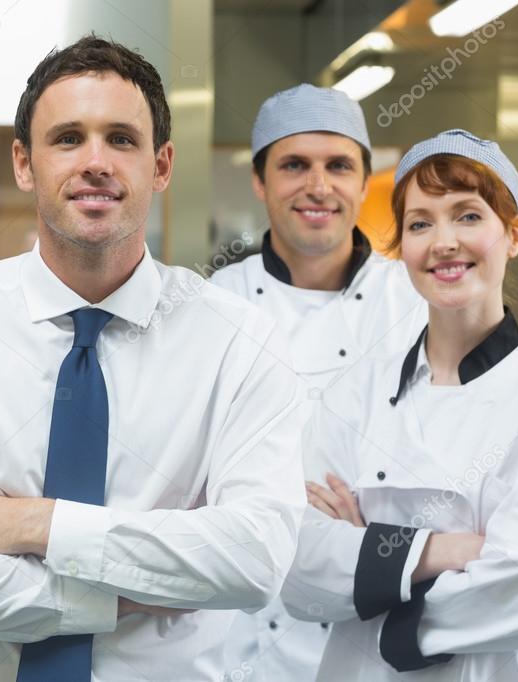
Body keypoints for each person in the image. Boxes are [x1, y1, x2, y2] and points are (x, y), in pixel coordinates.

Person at [0, 35, 304, 682]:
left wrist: (34, 525)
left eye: (121, 140)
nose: (94, 161)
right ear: (24, 163)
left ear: (160, 166)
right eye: (67, 138)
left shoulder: (239, 343)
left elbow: (253, 558)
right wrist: (115, 592)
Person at [280, 129, 518, 681]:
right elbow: (298, 573)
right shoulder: (352, 394)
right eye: (420, 223)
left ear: (511, 236)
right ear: (402, 246)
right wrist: (445, 549)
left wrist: (368, 560)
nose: (443, 242)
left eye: (467, 216)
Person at [210, 83, 426, 680]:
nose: (319, 186)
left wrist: (378, 528)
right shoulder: (212, 307)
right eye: (294, 165)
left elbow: (454, 455)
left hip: (367, 622)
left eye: (338, 166)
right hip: (236, 627)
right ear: (260, 181)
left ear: (363, 181)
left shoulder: (416, 302)